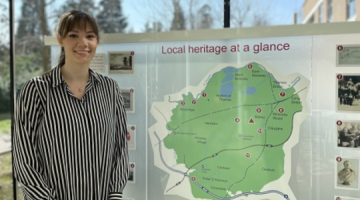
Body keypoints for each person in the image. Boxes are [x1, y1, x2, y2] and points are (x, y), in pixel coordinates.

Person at [13, 10, 129, 200]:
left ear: (97, 41)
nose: (83, 43)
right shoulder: (36, 90)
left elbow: (120, 149)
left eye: (90, 36)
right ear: (60, 39)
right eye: (73, 35)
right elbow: (25, 159)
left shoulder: (110, 89)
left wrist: (115, 194)